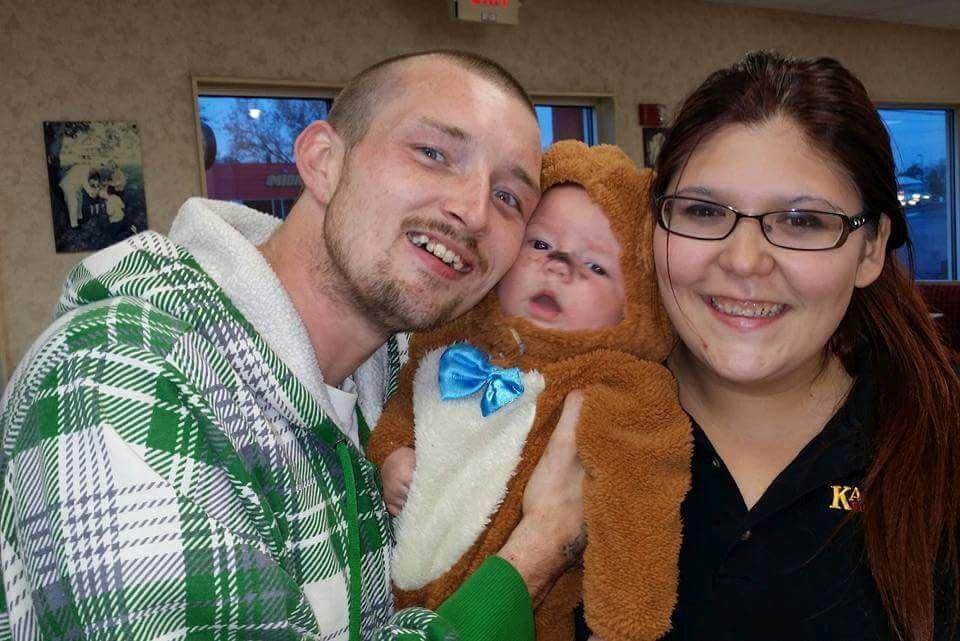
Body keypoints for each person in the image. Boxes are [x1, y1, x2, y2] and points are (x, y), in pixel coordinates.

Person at [0, 50, 586, 641]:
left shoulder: (410, 383)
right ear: (323, 161)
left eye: (511, 198)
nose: (476, 211)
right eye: (433, 154)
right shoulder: (113, 376)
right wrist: (534, 556)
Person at [580, 51, 960, 641]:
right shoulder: (567, 428)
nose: (744, 261)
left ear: (870, 250)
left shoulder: (940, 451)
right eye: (703, 212)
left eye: (802, 222)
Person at [367, 141, 690, 641]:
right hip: (386, 606)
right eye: (539, 245)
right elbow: (404, 407)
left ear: (638, 306)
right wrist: (391, 455)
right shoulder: (448, 335)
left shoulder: (622, 388)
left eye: (598, 266)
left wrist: (623, 628)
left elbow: (639, 513)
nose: (559, 265)